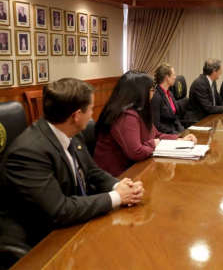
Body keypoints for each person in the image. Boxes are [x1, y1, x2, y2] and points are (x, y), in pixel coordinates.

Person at [0, 78, 145, 263]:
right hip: (38, 241)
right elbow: (59, 211)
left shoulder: (70, 133)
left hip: (72, 223)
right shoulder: (28, 153)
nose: (92, 114)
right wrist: (116, 197)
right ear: (76, 115)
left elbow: (93, 171)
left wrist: (121, 186)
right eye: (91, 109)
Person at [94, 71, 197, 177]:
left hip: (137, 168)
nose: (153, 93)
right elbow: (136, 152)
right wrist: (153, 143)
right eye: (151, 90)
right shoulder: (125, 115)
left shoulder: (139, 111)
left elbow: (156, 134)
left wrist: (179, 139)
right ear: (140, 92)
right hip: (118, 176)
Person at [151, 63, 184, 134]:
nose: (175, 77)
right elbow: (156, 125)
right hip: (165, 136)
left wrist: (183, 132)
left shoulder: (170, 94)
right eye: (173, 75)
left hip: (175, 132)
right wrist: (176, 135)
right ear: (167, 78)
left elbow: (175, 118)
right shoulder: (155, 97)